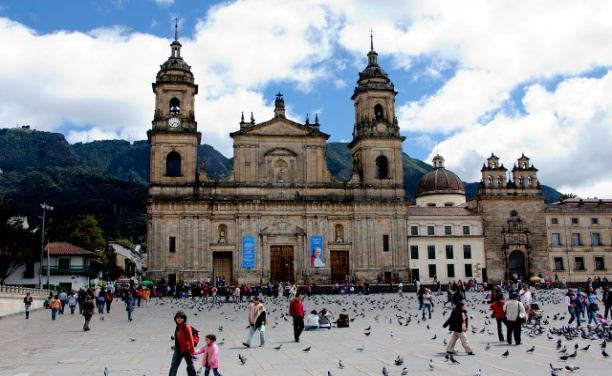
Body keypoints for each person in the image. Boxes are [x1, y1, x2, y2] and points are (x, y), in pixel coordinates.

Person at [169, 311, 197, 376]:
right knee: (174, 365)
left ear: (184, 319)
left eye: (181, 317)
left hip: (186, 350)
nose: (179, 319)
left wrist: (192, 351)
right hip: (177, 349)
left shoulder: (186, 327)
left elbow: (191, 339)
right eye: (177, 317)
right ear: (175, 319)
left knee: (190, 365)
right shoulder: (178, 327)